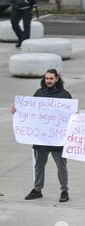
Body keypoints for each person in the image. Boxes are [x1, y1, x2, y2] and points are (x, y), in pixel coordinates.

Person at [12, 69, 72, 202]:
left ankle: (64, 191)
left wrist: (75, 114)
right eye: (47, 78)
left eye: (51, 78)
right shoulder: (39, 94)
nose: (48, 81)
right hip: (41, 138)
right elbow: (29, 111)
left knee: (61, 166)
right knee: (39, 166)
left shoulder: (65, 95)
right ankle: (37, 190)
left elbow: (70, 116)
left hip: (58, 139)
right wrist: (18, 110)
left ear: (57, 79)